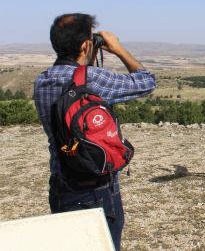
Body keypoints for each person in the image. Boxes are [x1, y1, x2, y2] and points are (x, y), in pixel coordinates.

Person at [33, 13, 157, 251]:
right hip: (96, 189)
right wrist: (118, 49)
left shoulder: (42, 81)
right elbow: (147, 81)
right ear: (85, 45)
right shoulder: (93, 79)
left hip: (62, 186)